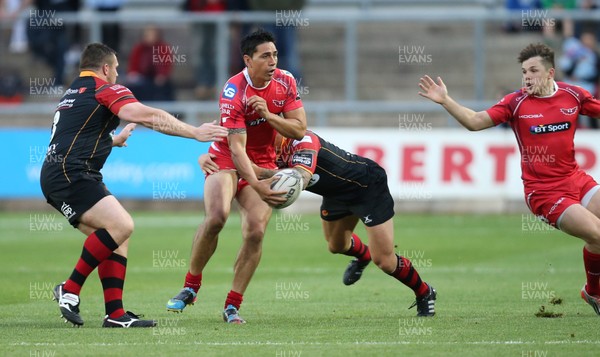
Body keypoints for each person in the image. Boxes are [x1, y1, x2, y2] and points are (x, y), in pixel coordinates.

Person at [40, 43, 227, 328]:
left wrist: (111, 141)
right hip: (71, 172)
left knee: (116, 236)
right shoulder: (106, 89)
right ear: (105, 68)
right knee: (122, 225)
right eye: (115, 68)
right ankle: (70, 288)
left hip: (61, 172)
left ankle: (114, 314)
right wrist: (195, 132)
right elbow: (148, 116)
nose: (117, 74)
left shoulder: (72, 93)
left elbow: (74, 136)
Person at [418, 43, 600, 315]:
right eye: (524, 71)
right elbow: (475, 121)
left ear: (550, 73)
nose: (527, 77)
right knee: (597, 233)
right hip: (544, 192)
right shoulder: (516, 103)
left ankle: (593, 292)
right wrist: (446, 101)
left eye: (533, 70)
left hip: (577, 179)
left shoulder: (574, 95)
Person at [199, 130, 438, 317]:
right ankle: (362, 256)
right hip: (336, 195)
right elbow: (233, 157)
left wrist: (253, 171)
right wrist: (206, 158)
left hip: (367, 187)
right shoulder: (267, 150)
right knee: (336, 245)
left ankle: (425, 292)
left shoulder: (303, 141)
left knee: (384, 261)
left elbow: (297, 178)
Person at [165, 29, 306, 324]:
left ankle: (232, 305)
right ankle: (191, 286)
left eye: (275, 55)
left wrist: (268, 115)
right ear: (248, 59)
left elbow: (299, 130)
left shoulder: (286, 81)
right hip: (227, 158)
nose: (273, 61)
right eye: (265, 56)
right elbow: (237, 148)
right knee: (217, 216)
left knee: (255, 231)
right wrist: (255, 184)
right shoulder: (233, 90)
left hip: (265, 161)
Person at [126, 25, 175, 102]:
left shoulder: (163, 47)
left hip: (158, 79)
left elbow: (166, 64)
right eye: (147, 35)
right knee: (135, 87)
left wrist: (162, 75)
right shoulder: (139, 48)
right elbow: (133, 65)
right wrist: (133, 74)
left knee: (164, 87)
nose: (149, 37)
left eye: (152, 35)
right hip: (143, 78)